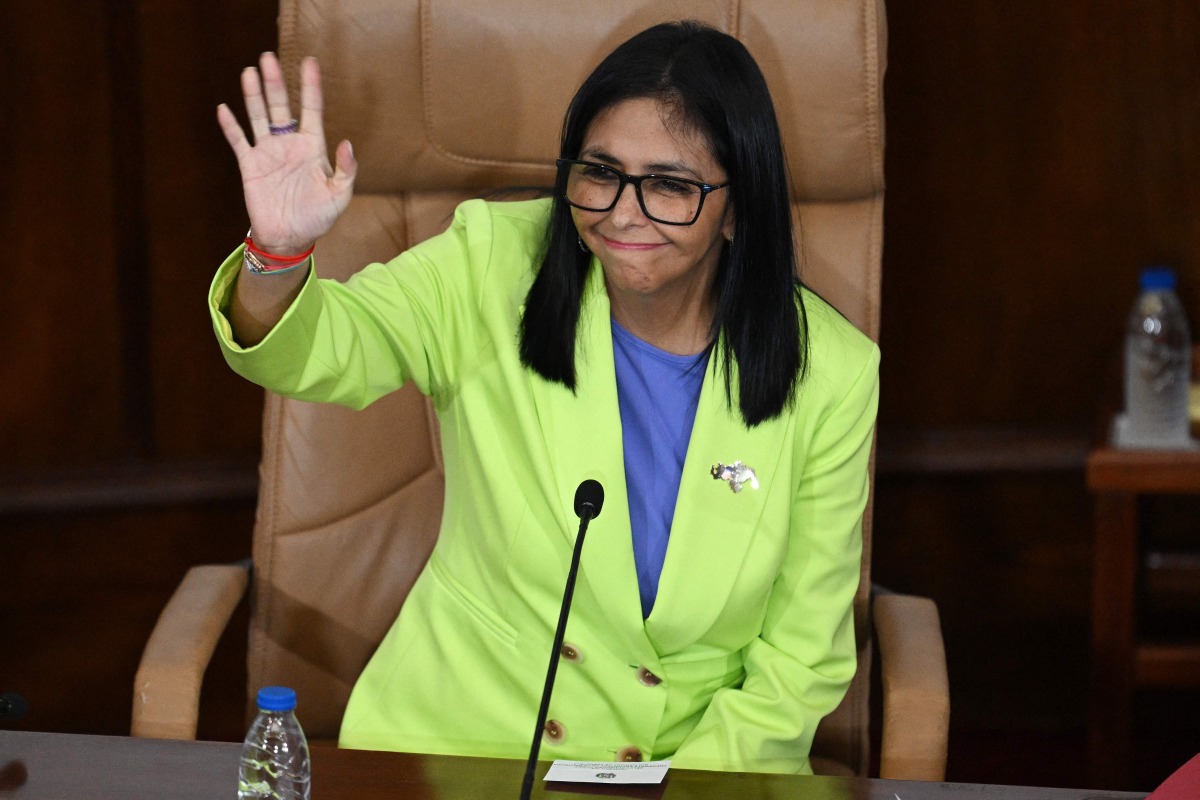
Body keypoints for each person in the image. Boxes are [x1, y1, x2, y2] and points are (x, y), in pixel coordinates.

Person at [211, 20, 879, 775]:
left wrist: (687, 791)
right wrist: (278, 254)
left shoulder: (832, 374)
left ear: (738, 207)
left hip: (684, 771)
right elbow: (325, 352)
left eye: (669, 185)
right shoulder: (492, 263)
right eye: (600, 172)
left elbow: (800, 659)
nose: (623, 213)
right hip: (454, 753)